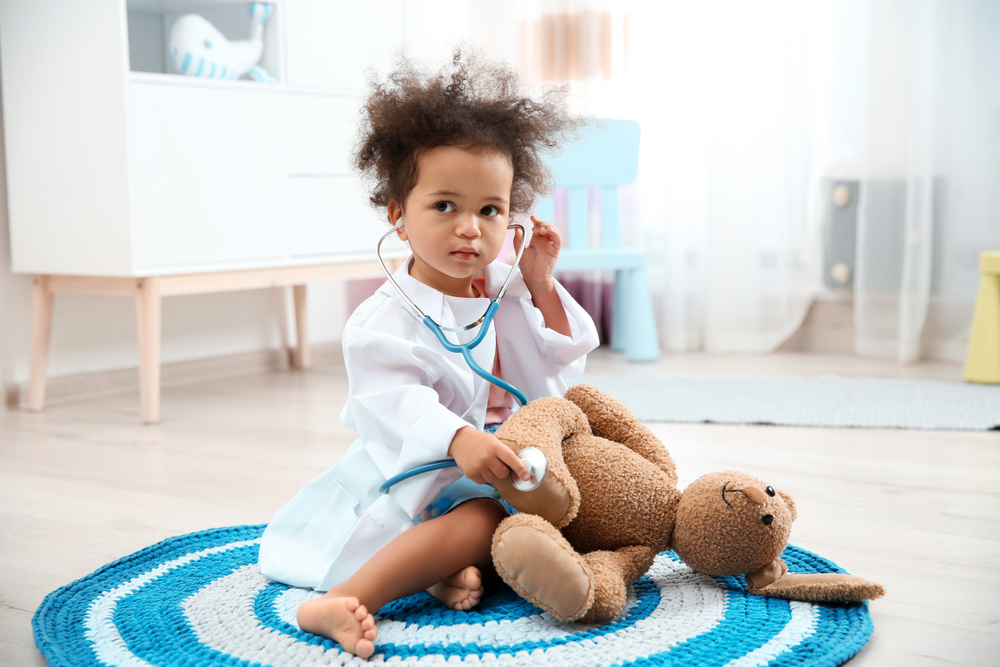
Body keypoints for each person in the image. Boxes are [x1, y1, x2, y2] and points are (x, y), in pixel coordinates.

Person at [258, 50, 599, 659]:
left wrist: (542, 284)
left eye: (490, 210)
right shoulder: (381, 321)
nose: (471, 227)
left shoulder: (500, 291)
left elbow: (548, 376)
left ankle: (444, 572)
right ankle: (343, 598)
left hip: (480, 464)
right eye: (446, 206)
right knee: (489, 524)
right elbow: (393, 403)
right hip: (412, 473)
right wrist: (455, 439)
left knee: (558, 511)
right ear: (399, 216)